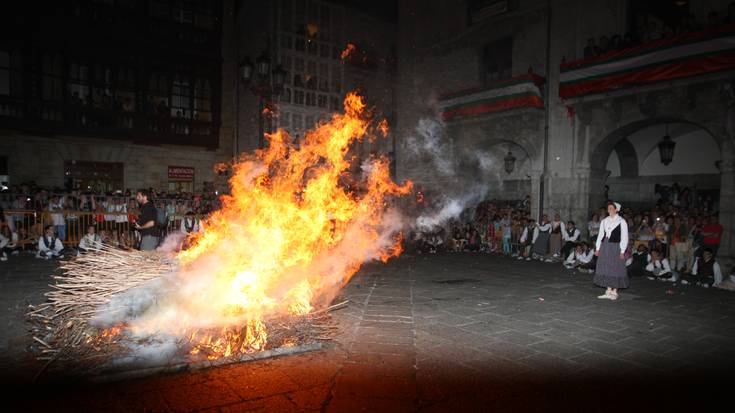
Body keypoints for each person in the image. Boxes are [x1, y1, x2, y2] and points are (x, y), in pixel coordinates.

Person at [594, 202, 629, 300]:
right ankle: (608, 290)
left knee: (616, 267)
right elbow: (600, 235)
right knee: (606, 267)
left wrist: (622, 250)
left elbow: (624, 237)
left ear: (616, 209)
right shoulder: (605, 221)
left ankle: (615, 291)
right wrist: (598, 248)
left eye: (611, 208)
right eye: (608, 208)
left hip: (616, 247)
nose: (609, 210)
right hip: (606, 246)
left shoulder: (621, 221)